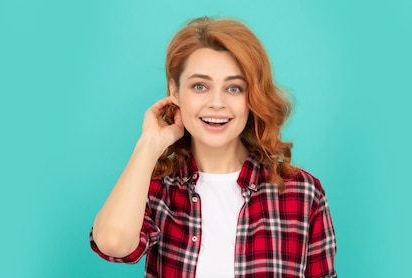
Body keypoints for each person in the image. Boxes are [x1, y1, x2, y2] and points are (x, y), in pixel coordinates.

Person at [89, 16, 337, 277]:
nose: (216, 103)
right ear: (175, 91)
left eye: (234, 88)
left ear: (252, 97)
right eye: (200, 86)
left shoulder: (302, 192)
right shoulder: (156, 189)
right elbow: (113, 244)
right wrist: (148, 145)